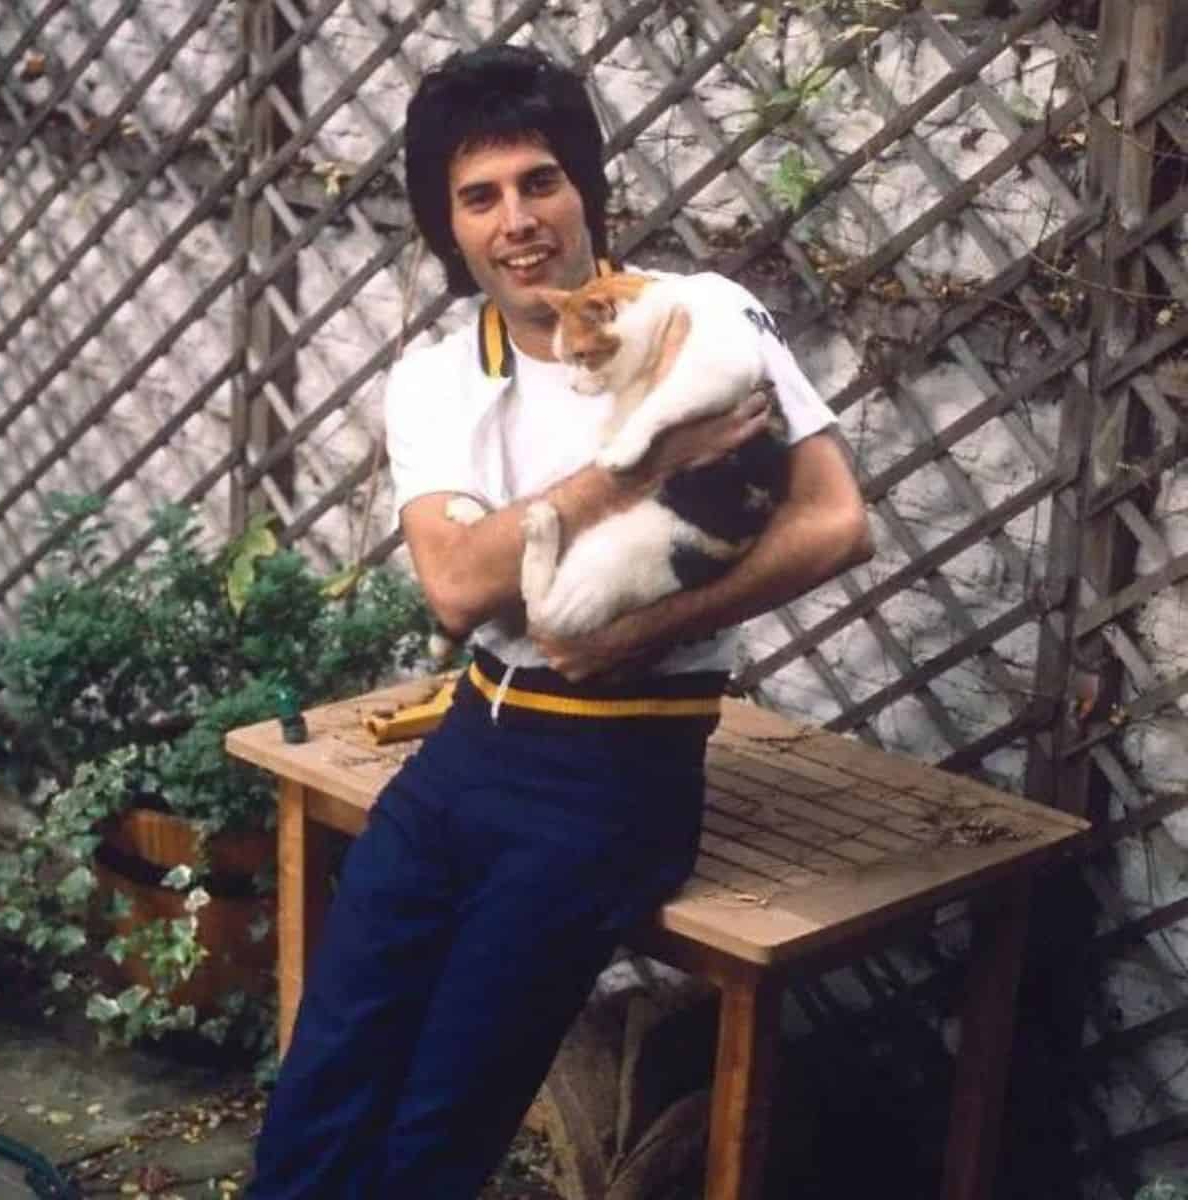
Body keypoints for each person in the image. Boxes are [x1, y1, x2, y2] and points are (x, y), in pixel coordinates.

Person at [246, 44, 872, 1200]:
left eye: (540, 181)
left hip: (619, 766)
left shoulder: (702, 316)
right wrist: (633, 471)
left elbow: (835, 522)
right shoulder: (437, 378)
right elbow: (456, 584)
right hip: (471, 746)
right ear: (448, 227)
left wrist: (634, 633)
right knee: (326, 1073)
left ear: (586, 185)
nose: (518, 219)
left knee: (442, 1117)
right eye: (479, 197)